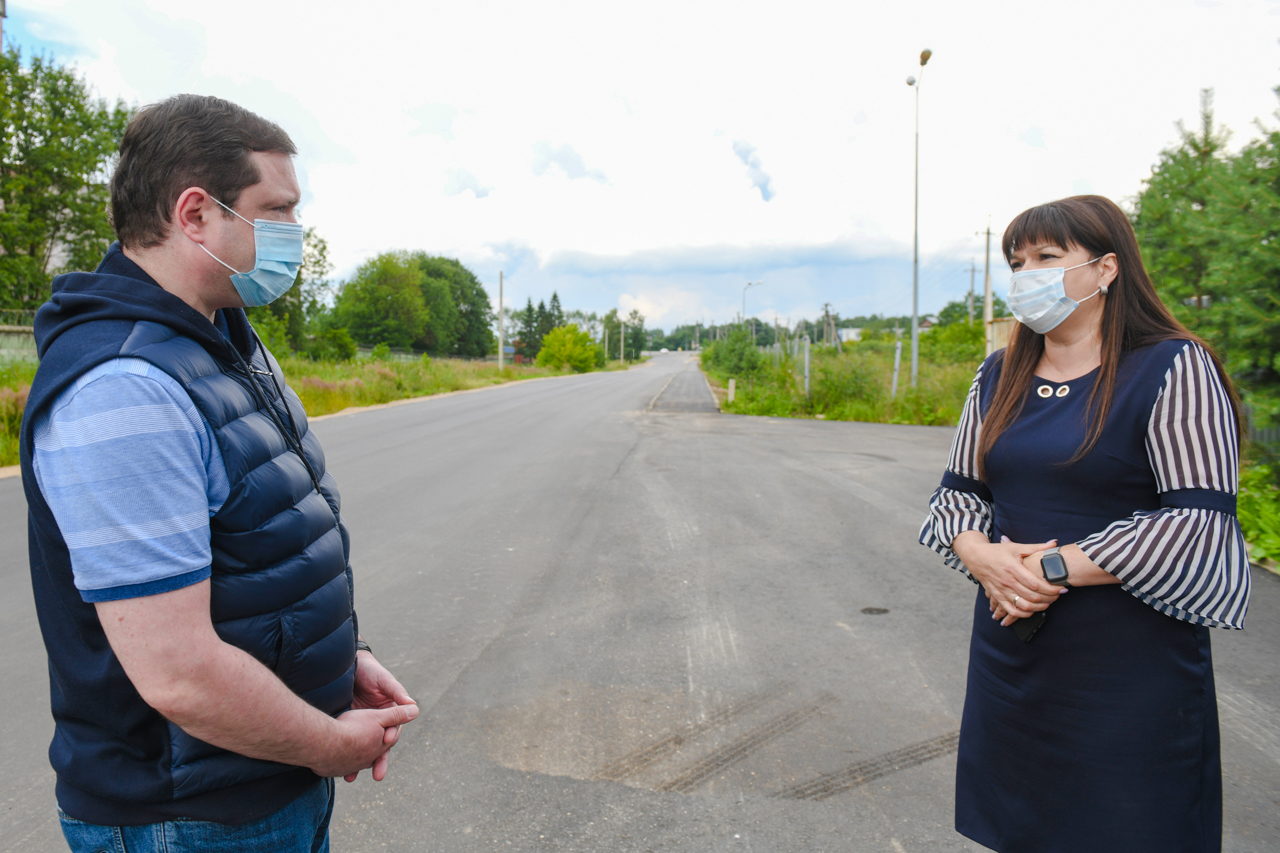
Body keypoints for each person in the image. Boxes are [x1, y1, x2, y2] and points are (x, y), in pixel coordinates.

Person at [20, 94, 418, 852]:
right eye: (278, 210)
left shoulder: (221, 339)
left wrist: (341, 661)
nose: (296, 235)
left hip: (262, 783)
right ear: (196, 214)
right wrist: (327, 743)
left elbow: (264, 548)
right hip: (189, 818)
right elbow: (180, 674)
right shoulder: (124, 386)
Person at [919, 195, 1250, 853]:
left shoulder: (1173, 366)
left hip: (1127, 670)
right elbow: (955, 499)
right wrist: (983, 557)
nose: (1025, 275)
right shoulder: (996, 376)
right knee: (1022, 827)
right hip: (1013, 654)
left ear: (1106, 270)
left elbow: (1196, 520)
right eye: (1016, 261)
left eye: (1046, 257)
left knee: (1129, 826)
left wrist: (1046, 566)